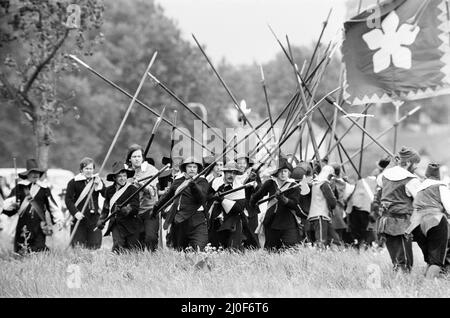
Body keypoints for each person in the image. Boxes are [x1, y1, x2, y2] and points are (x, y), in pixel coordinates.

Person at [375, 146, 421, 272]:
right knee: (405, 262)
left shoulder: (384, 176)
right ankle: (401, 287)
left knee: (396, 260)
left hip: (385, 222)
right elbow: (420, 201)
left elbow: (379, 182)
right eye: (416, 164)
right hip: (402, 224)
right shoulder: (412, 180)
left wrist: (391, 165)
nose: (416, 168)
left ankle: (396, 285)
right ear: (409, 163)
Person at [2, 159, 64, 253]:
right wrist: (13, 204)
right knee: (22, 249)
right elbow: (6, 205)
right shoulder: (19, 187)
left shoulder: (44, 189)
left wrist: (59, 220)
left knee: (39, 249)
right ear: (27, 174)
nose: (36, 175)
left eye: (37, 172)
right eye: (33, 172)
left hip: (38, 224)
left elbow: (52, 206)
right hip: (22, 223)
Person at [153, 157, 209, 251]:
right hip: (180, 219)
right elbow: (166, 197)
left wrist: (193, 185)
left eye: (194, 167)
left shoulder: (202, 182)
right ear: (185, 168)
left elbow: (201, 198)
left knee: (199, 249)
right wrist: (155, 209)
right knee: (180, 251)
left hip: (198, 219)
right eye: (189, 166)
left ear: (198, 169)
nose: (192, 169)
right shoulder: (178, 181)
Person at [405, 163, 450, 278]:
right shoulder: (441, 186)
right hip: (435, 221)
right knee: (437, 261)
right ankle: (428, 288)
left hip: (417, 224)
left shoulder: (420, 188)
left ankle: (424, 285)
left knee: (430, 258)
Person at [250, 157, 301, 250]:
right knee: (270, 251)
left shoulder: (294, 185)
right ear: (276, 172)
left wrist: (283, 199)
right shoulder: (270, 183)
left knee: (291, 250)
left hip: (288, 222)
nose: (283, 173)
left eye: (285, 171)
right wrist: (252, 203)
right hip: (271, 222)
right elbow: (257, 196)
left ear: (289, 172)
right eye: (281, 171)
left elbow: (294, 204)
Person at [96, 161, 142, 253]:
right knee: (117, 248)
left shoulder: (132, 189)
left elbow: (135, 207)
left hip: (131, 224)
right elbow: (106, 208)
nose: (122, 178)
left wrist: (124, 210)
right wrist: (101, 220)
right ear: (114, 178)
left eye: (124, 175)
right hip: (116, 224)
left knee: (133, 251)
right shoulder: (109, 190)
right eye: (119, 176)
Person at [125, 144, 159, 252]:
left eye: (139, 156)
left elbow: (152, 192)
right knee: (136, 242)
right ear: (130, 159)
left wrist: (141, 185)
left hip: (150, 209)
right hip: (134, 211)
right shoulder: (126, 172)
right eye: (134, 157)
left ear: (143, 157)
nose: (137, 159)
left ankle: (153, 259)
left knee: (151, 237)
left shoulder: (151, 170)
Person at [65, 157, 104, 249]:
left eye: (91, 169)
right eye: (86, 168)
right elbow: (68, 200)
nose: (89, 171)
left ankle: (92, 263)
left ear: (93, 169)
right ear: (81, 169)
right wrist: (75, 213)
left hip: (94, 218)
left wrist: (99, 185)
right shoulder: (73, 182)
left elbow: (105, 194)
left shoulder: (97, 180)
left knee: (95, 244)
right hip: (79, 217)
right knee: (78, 245)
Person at [209, 161, 247, 250]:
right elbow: (207, 195)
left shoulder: (239, 187)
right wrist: (215, 195)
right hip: (216, 218)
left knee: (233, 249)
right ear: (224, 173)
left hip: (232, 220)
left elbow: (239, 208)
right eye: (229, 172)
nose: (231, 175)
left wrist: (222, 199)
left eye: (234, 173)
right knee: (214, 248)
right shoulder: (216, 182)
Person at [307, 165, 337, 248]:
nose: (331, 178)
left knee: (333, 238)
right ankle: (320, 256)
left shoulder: (315, 183)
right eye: (331, 176)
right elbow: (332, 201)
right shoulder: (324, 184)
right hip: (321, 214)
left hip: (315, 214)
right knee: (321, 239)